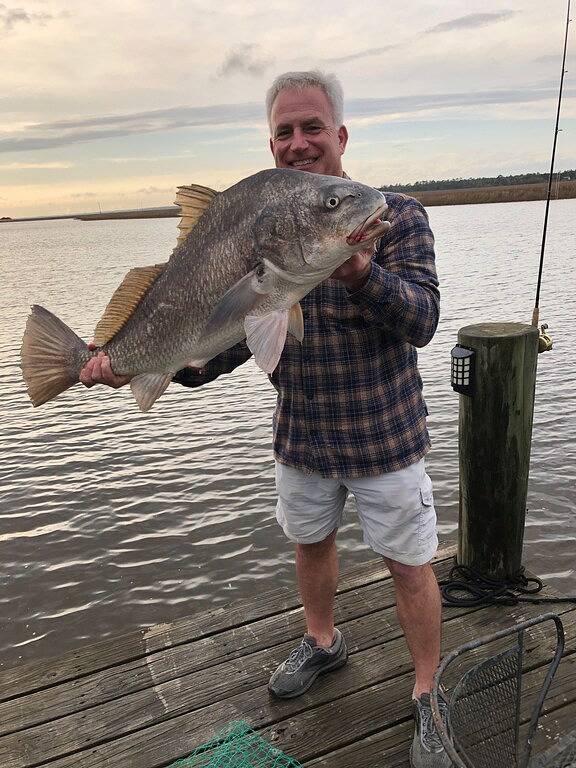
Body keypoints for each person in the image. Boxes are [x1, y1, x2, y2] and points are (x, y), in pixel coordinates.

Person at [79, 71, 448, 767]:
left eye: (314, 127)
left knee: (410, 565)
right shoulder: (255, 229)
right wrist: (137, 362)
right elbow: (218, 348)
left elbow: (424, 319)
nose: (300, 141)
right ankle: (322, 640)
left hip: (386, 439)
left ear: (340, 136)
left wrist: (360, 272)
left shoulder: (393, 215)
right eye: (286, 130)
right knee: (310, 546)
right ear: (272, 144)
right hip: (302, 439)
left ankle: (427, 690)